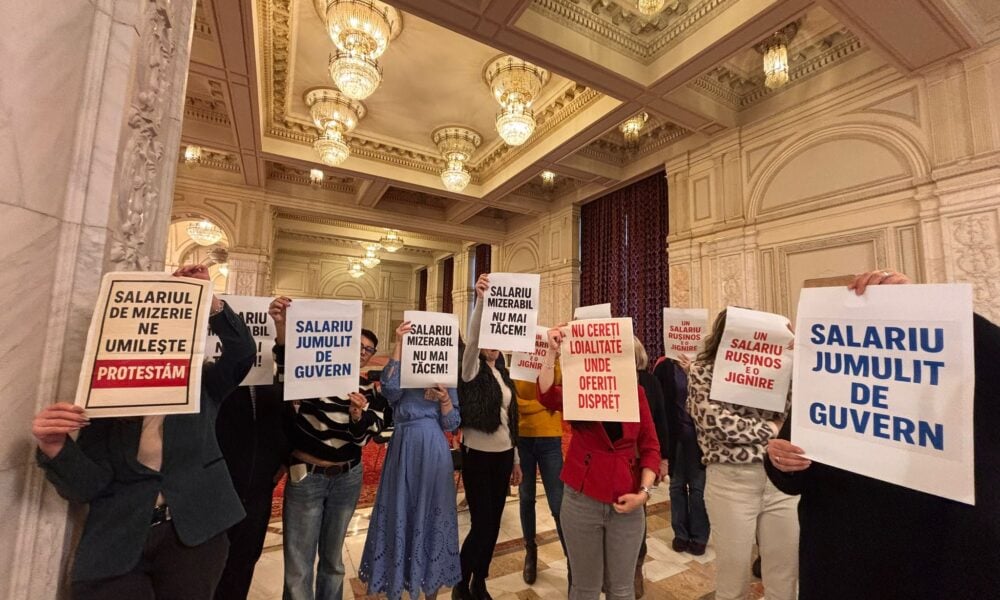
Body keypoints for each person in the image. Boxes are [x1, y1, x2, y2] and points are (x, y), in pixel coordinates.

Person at [765, 269, 1000, 599]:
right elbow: (793, 472)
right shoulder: (824, 384)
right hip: (837, 564)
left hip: (931, 565)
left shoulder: (964, 372)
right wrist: (779, 461)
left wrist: (925, 306)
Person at [31, 264, 256, 600]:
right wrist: (55, 447)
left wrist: (211, 304)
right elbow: (86, 487)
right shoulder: (103, 398)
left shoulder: (201, 384)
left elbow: (242, 354)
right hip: (120, 540)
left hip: (196, 530)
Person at [269, 297, 387, 600]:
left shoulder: (367, 391)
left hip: (348, 477)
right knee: (298, 565)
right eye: (358, 345)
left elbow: (365, 440)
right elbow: (285, 366)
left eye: (368, 350)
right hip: (307, 476)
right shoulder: (314, 373)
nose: (362, 352)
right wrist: (281, 325)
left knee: (333, 562)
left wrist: (358, 415)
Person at [538, 325, 661, 600]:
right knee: (585, 588)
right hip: (582, 500)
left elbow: (651, 447)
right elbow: (546, 394)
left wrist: (644, 493)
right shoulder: (582, 389)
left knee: (622, 589)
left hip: (627, 503)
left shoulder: (638, 393)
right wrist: (551, 353)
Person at [687, 309, 798, 600]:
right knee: (733, 579)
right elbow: (713, 423)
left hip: (782, 481)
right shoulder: (704, 369)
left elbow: (793, 413)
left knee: (784, 576)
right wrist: (771, 430)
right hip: (729, 481)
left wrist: (800, 355)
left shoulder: (782, 368)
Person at [358, 320, 462, 599]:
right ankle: (397, 581)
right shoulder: (402, 365)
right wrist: (399, 343)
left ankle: (430, 587)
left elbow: (452, 423)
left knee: (433, 516)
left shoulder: (446, 374)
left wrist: (444, 400)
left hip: (434, 448)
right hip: (404, 445)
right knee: (400, 510)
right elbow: (390, 391)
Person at [453, 273, 523, 600]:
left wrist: (517, 460)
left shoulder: (503, 373)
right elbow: (473, 336)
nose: (492, 345)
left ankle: (479, 580)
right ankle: (460, 581)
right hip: (478, 455)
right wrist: (480, 300)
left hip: (504, 454)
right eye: (487, 339)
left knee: (494, 523)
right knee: (481, 523)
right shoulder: (471, 368)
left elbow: (511, 419)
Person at [213, 380, 290, 600]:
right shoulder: (220, 378)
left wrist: (283, 461)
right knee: (214, 565)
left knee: (245, 560)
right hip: (220, 489)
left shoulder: (271, 381)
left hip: (259, 488)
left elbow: (284, 423)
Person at [513, 354, 565, 585]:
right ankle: (530, 553)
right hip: (523, 437)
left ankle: (573, 558)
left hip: (551, 439)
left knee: (558, 502)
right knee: (526, 498)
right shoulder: (517, 360)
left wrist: (538, 403)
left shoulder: (555, 362)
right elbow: (515, 403)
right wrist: (544, 403)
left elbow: (560, 398)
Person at [653, 353, 709, 556]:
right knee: (676, 486)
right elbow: (659, 406)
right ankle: (681, 534)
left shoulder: (705, 363)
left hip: (698, 438)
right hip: (673, 436)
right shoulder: (664, 366)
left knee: (697, 488)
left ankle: (699, 535)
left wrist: (692, 371)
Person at [632, 337, 668, 599]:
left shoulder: (649, 382)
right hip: (612, 462)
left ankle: (636, 565)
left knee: (637, 516)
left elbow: (661, 423)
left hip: (640, 461)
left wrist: (662, 460)